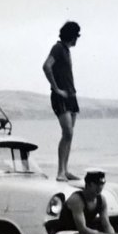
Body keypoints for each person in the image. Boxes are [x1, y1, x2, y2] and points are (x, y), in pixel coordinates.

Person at [42, 21, 81, 182]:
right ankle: (60, 171)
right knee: (67, 133)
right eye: (76, 36)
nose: (77, 39)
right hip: (61, 96)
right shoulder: (58, 48)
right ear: (71, 35)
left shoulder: (66, 50)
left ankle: (65, 170)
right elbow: (46, 66)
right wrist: (56, 88)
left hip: (71, 95)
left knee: (69, 136)